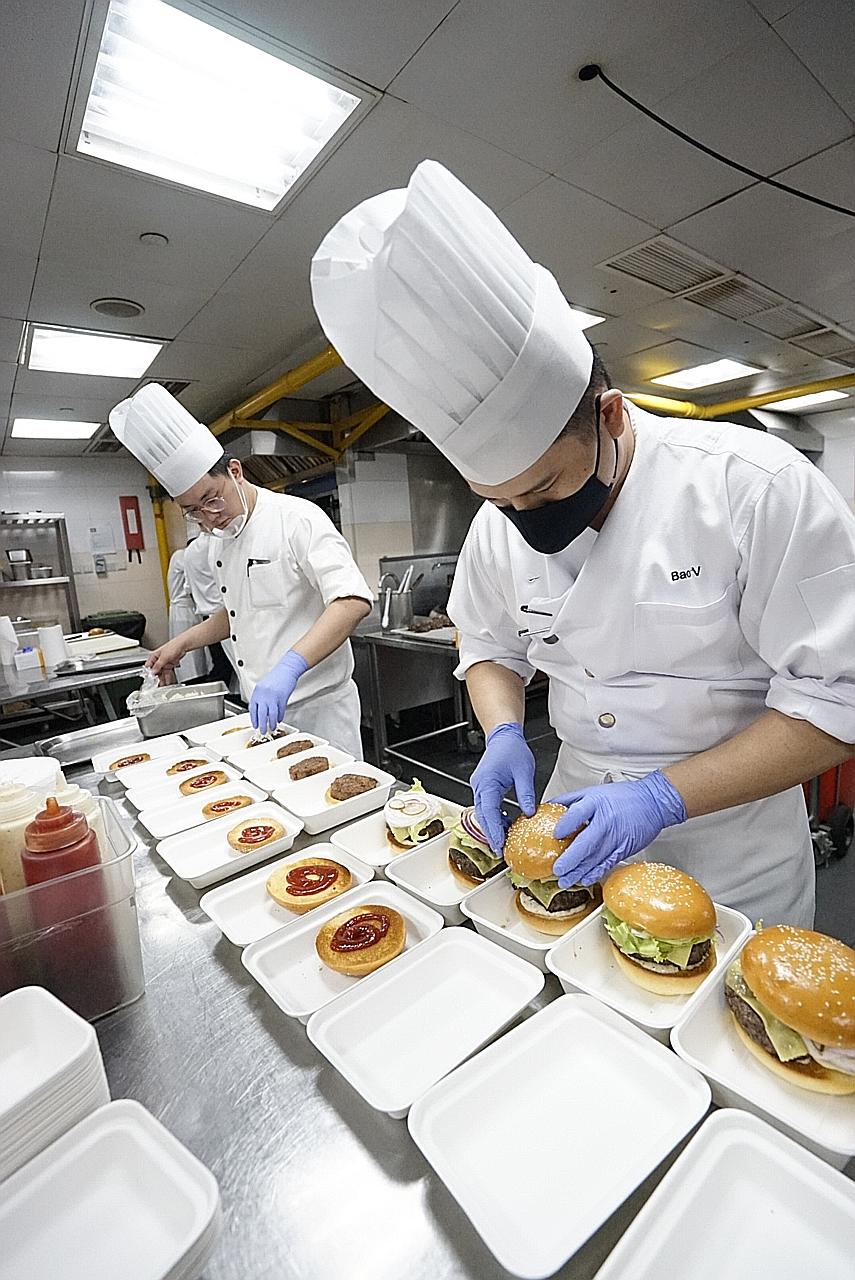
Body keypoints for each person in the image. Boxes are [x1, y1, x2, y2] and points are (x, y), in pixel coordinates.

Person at [310, 159, 855, 926]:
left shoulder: (749, 486)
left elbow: (835, 701)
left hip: (731, 848)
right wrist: (502, 729)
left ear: (610, 417)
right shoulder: (498, 524)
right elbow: (489, 647)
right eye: (497, 499)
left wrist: (661, 797)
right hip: (564, 836)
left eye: (543, 488)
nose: (522, 515)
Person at [109, 385, 373, 758]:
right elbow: (237, 613)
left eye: (211, 499)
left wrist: (289, 668)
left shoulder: (296, 518)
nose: (210, 517)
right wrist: (180, 643)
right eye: (193, 511)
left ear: (235, 471)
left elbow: (352, 601)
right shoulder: (221, 539)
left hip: (319, 713)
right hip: (262, 715)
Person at [166, 521, 211, 684]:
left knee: (195, 658)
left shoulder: (178, 555)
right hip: (185, 612)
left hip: (185, 610)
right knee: (191, 661)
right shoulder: (184, 556)